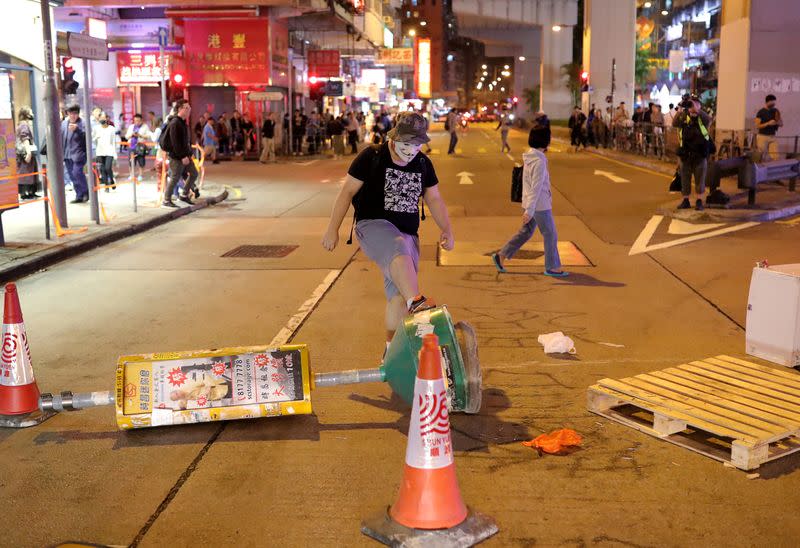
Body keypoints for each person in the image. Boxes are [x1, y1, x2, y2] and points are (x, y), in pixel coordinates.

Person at [322, 111, 454, 352]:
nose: (411, 149)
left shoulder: (423, 163)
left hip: (409, 234)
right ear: (394, 138)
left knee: (397, 296)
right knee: (397, 247)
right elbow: (346, 193)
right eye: (406, 143)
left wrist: (447, 229)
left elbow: (433, 198)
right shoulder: (372, 156)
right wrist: (333, 229)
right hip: (373, 226)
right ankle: (420, 310)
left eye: (416, 143)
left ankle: (390, 352)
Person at [492, 126, 567, 278]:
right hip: (539, 206)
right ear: (545, 140)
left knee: (525, 232)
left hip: (531, 204)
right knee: (550, 233)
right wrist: (530, 210)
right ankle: (552, 267)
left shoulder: (530, 157)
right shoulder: (538, 161)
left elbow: (529, 185)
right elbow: (536, 187)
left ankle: (501, 255)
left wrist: (528, 207)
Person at [672, 99, 713, 211]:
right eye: (690, 105)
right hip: (685, 154)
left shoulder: (702, 117)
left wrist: (697, 110)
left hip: (700, 154)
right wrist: (680, 110)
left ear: (699, 105)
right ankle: (686, 200)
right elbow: (674, 123)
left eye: (695, 104)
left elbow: (709, 120)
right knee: (685, 178)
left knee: (700, 179)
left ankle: (699, 201)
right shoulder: (684, 117)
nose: (692, 107)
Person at [161, 99, 198, 208]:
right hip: (177, 157)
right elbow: (175, 142)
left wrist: (189, 153)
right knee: (175, 177)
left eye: (189, 108)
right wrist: (182, 156)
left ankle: (184, 195)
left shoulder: (182, 122)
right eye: (186, 108)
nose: (189, 110)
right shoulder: (175, 123)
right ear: (180, 109)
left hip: (185, 155)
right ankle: (166, 200)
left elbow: (185, 141)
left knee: (194, 173)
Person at [61, 104, 89, 203]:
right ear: (67, 113)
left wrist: (77, 130)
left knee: (77, 173)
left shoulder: (83, 123)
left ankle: (86, 192)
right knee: (72, 175)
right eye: (71, 113)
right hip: (67, 154)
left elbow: (86, 138)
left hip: (79, 154)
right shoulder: (64, 123)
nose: (73, 116)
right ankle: (79, 195)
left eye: (75, 113)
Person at [15, 107, 39, 199]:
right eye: (30, 112)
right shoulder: (24, 125)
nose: (32, 114)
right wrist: (28, 153)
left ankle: (29, 192)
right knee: (26, 172)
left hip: (24, 153)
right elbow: (25, 138)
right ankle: (25, 193)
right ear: (26, 114)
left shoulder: (22, 124)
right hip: (25, 153)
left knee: (29, 171)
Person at [93, 112, 118, 192]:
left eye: (104, 118)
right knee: (102, 169)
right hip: (100, 151)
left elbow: (113, 141)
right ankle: (106, 186)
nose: (103, 119)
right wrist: (96, 138)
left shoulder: (111, 129)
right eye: (101, 118)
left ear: (107, 119)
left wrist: (115, 153)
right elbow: (92, 140)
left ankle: (111, 180)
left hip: (109, 151)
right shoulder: (96, 128)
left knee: (108, 168)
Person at [755, 94, 783, 162]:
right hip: (762, 136)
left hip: (772, 136)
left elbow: (781, 124)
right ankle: (759, 171)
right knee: (761, 156)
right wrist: (768, 123)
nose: (774, 104)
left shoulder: (776, 111)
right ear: (767, 102)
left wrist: (777, 122)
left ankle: (775, 171)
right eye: (772, 102)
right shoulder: (760, 112)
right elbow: (757, 126)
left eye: (774, 102)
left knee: (776, 156)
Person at [125, 113, 151, 182]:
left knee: (141, 161)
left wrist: (140, 135)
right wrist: (132, 134)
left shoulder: (145, 127)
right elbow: (126, 136)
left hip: (140, 146)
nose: (137, 122)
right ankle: (131, 175)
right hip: (132, 146)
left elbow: (148, 136)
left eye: (138, 121)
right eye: (135, 120)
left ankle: (140, 175)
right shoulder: (131, 127)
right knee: (131, 162)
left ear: (141, 120)